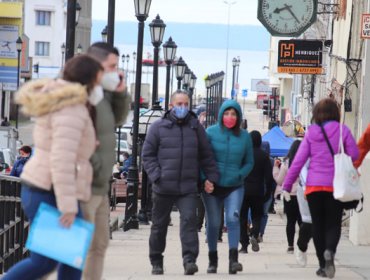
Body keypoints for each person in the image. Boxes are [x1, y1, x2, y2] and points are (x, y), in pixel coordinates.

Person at [3, 55, 102, 280]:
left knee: (69, 261)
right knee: (44, 263)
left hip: (49, 188)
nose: (99, 86)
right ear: (87, 80)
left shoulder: (64, 102)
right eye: (98, 80)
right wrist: (68, 205)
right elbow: (62, 158)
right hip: (51, 191)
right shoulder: (71, 108)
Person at [142, 90, 219, 276]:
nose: (183, 107)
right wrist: (157, 176)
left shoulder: (195, 128)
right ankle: (156, 261)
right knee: (159, 226)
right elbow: (147, 155)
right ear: (171, 106)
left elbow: (206, 156)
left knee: (189, 223)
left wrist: (211, 178)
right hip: (163, 187)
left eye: (186, 104)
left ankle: (189, 260)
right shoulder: (157, 127)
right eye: (179, 104)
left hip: (188, 187)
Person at [282, 98, 359, 278]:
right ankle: (330, 252)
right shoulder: (343, 131)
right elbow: (355, 154)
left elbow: (298, 161)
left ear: (317, 114)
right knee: (333, 224)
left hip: (314, 187)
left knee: (317, 225)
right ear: (336, 113)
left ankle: (322, 265)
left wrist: (287, 185)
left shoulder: (311, 133)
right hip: (336, 187)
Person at [82, 42, 130, 280]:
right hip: (82, 181)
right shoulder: (79, 92)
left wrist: (120, 92)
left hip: (100, 182)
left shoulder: (101, 94)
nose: (115, 71)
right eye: (111, 66)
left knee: (99, 244)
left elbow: (118, 119)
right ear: (96, 65)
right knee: (69, 249)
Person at [202, 100, 254, 274]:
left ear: (238, 117)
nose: (229, 117)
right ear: (221, 115)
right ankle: (212, 259)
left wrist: (240, 175)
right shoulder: (210, 132)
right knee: (214, 222)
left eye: (233, 114)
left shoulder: (245, 136)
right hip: (212, 185)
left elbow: (249, 162)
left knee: (233, 218)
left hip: (234, 185)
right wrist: (204, 179)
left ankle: (233, 260)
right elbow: (201, 158)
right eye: (226, 113)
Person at [239, 131, 273, 254]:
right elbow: (269, 177)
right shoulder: (264, 156)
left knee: (242, 218)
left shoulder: (243, 155)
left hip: (243, 190)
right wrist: (268, 192)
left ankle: (244, 245)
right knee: (257, 216)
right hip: (258, 191)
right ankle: (254, 235)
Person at [273, 140, 303, 254]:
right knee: (302, 221)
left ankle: (290, 246)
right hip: (302, 195)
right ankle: (301, 245)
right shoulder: (306, 163)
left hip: (289, 195)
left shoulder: (286, 164)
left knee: (290, 221)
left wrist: (275, 168)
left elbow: (280, 180)